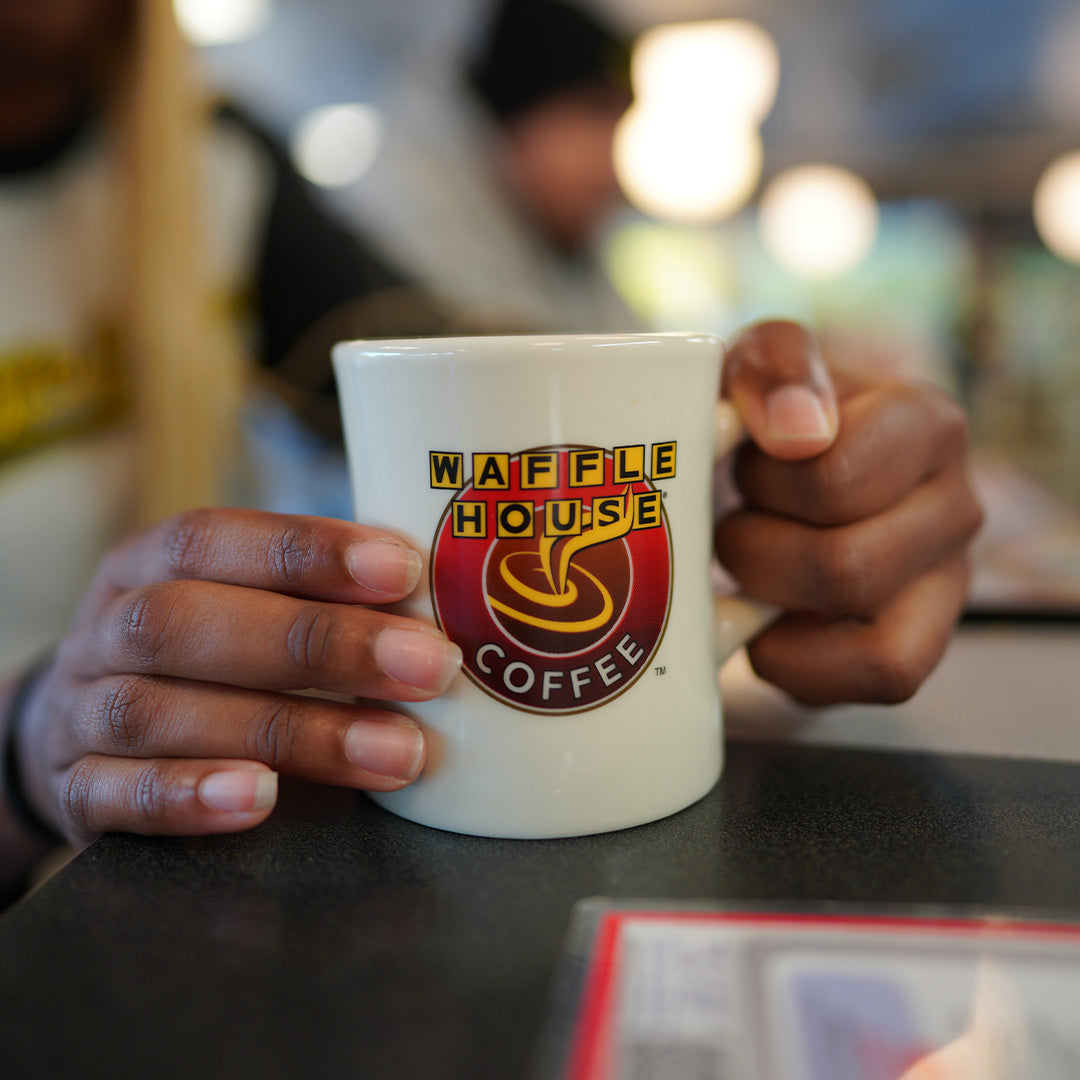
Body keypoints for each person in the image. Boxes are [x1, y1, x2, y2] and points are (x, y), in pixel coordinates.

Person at [0, 2, 981, 895]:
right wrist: (22, 743)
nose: (613, 160)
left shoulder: (211, 160)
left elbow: (433, 357)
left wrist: (798, 455)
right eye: (592, 118)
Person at [348, 0, 639, 332]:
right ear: (509, 117)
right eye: (594, 113)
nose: (609, 171)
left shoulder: (558, 243)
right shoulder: (399, 238)